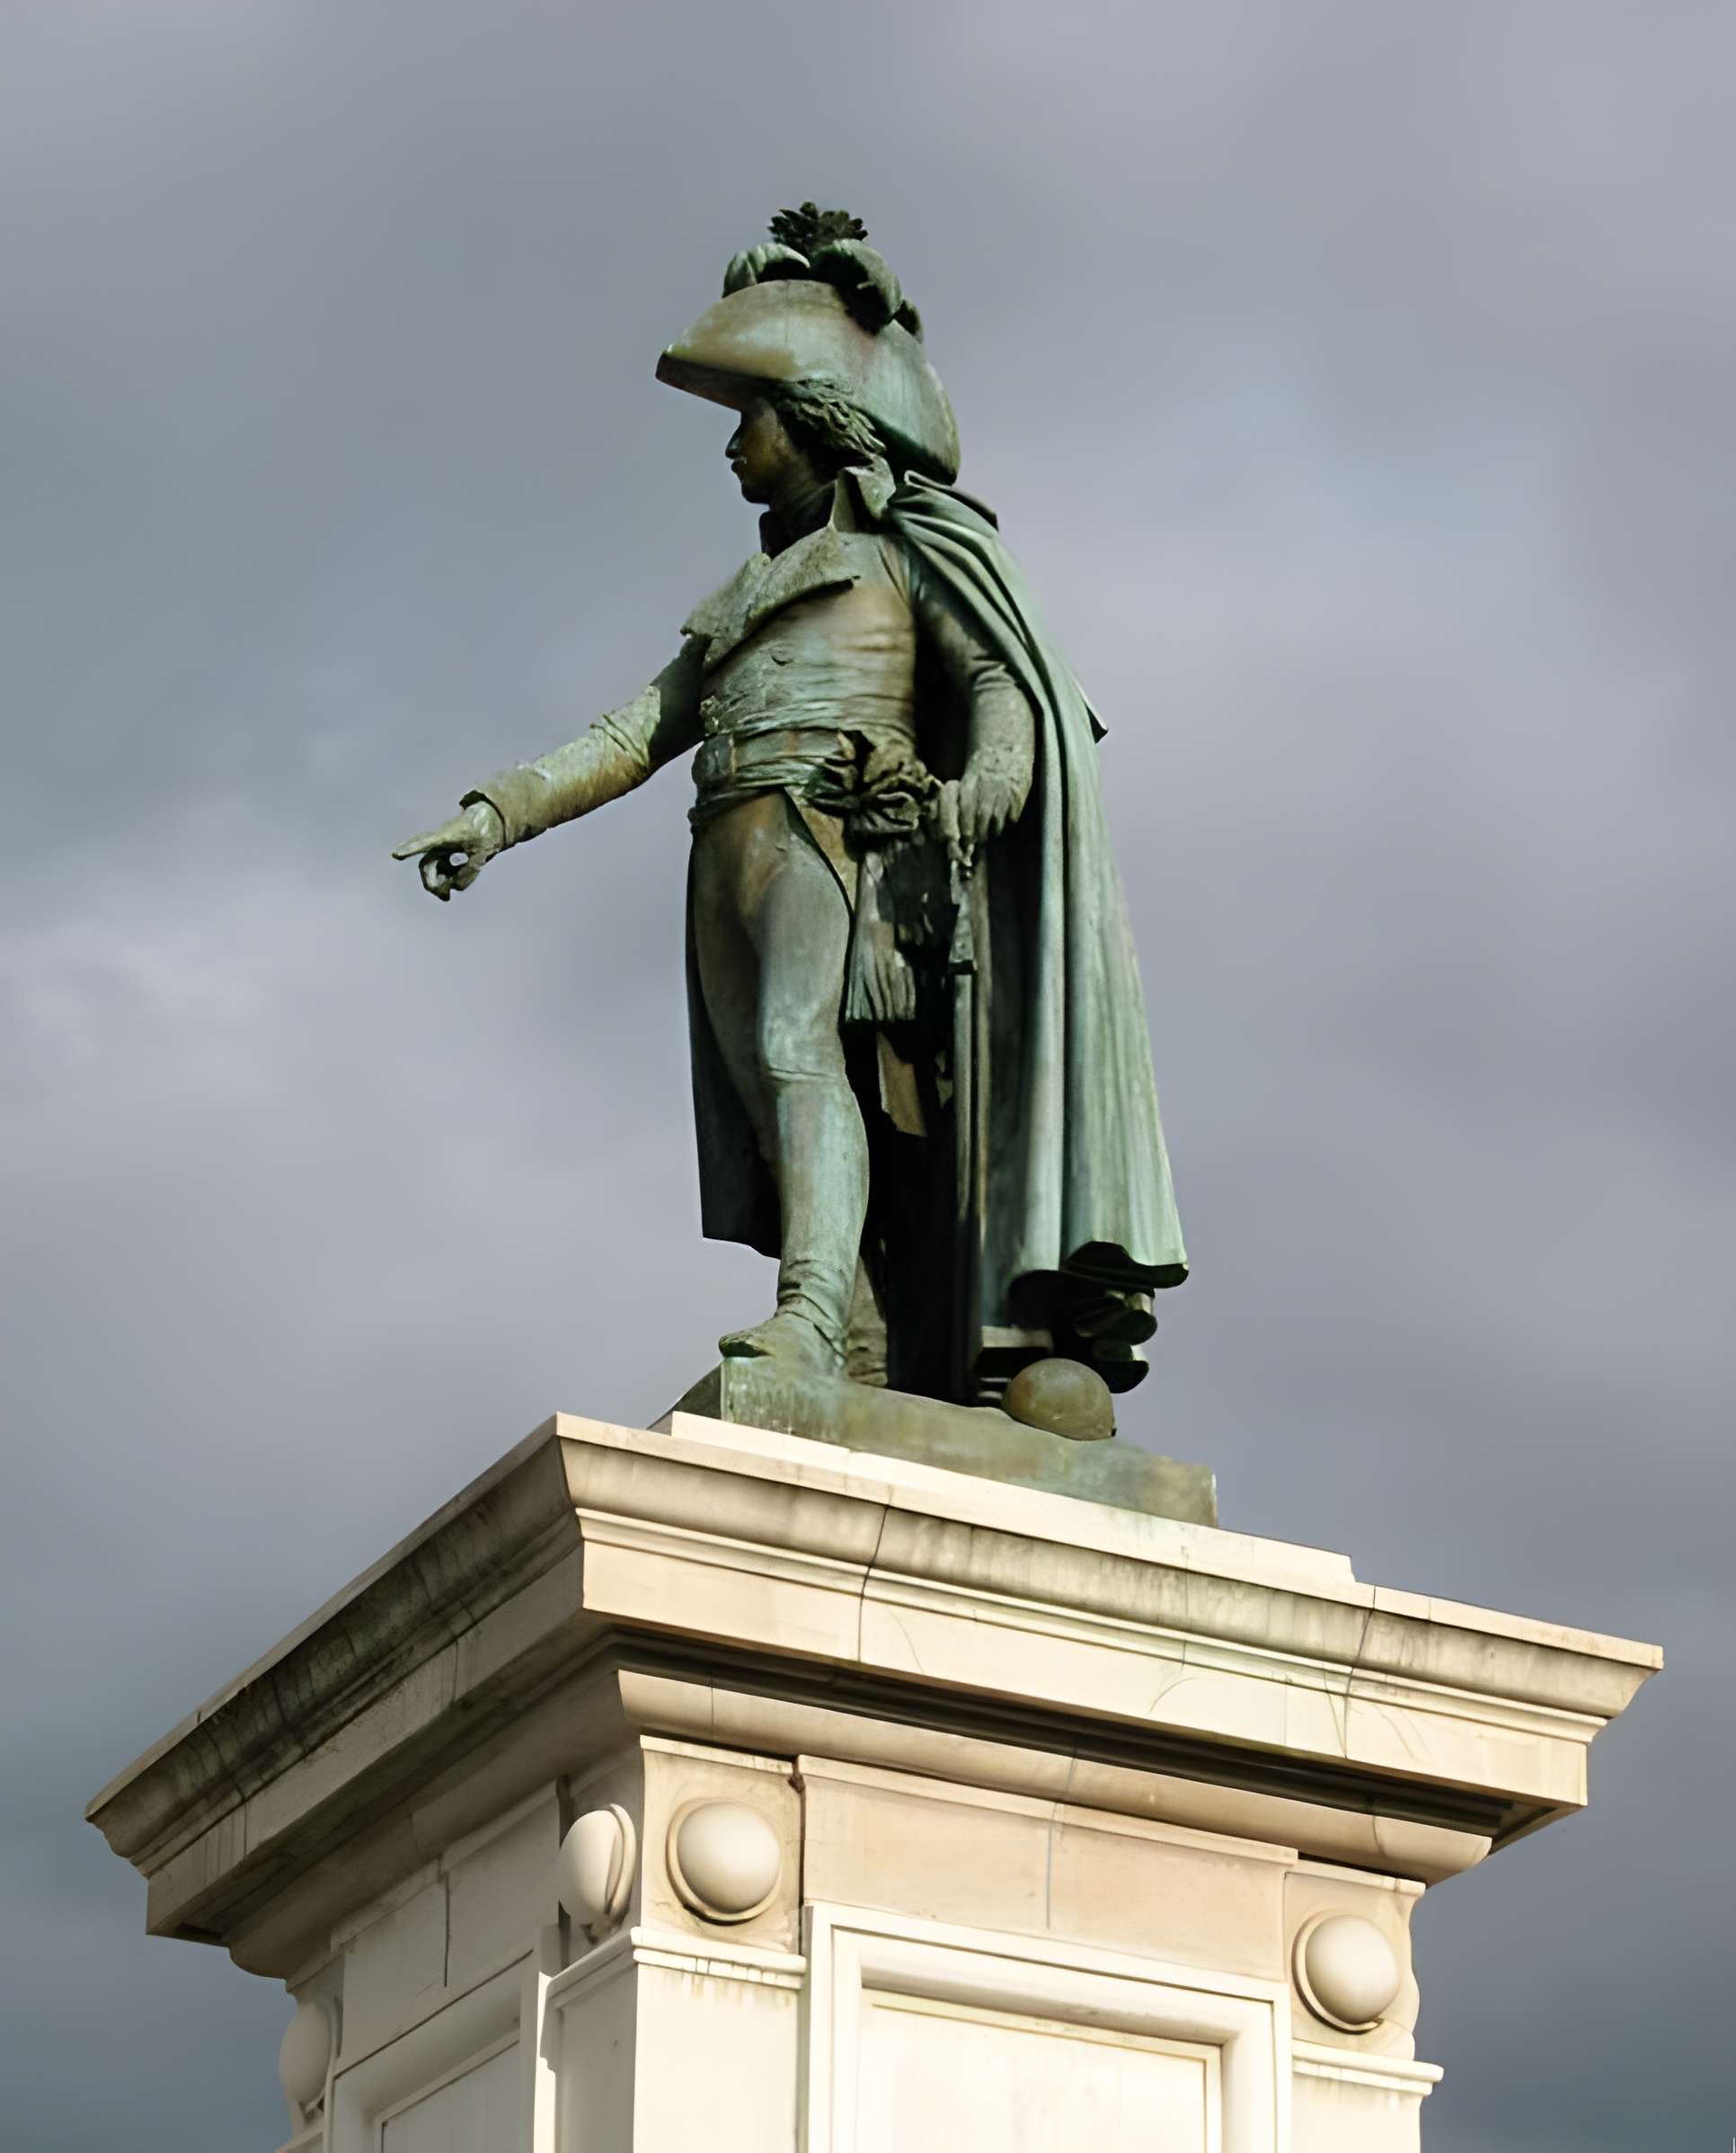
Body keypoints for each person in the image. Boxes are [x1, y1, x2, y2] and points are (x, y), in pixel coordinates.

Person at [396, 208, 1185, 1402]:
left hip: (829, 834)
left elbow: (1003, 684)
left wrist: (984, 790)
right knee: (775, 1105)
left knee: (797, 1055)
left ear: (814, 420)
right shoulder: (744, 592)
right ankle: (853, 1337)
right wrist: (499, 811)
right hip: (726, 841)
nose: (733, 446)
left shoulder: (904, 548)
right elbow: (636, 733)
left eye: (749, 418)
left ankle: (808, 1320)